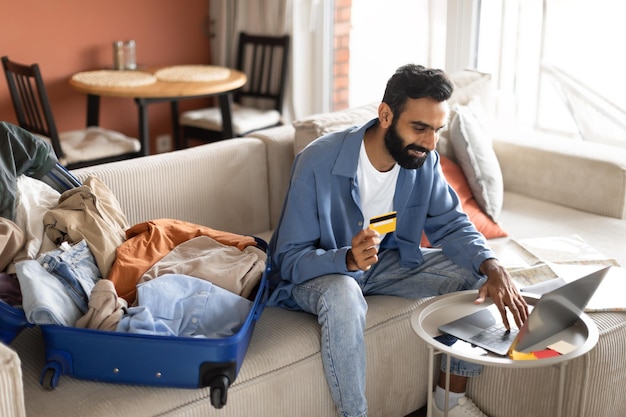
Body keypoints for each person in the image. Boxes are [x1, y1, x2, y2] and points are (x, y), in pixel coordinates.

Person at [267, 63, 529, 417]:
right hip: (319, 277)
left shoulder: (425, 161)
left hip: (383, 266)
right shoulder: (316, 161)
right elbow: (289, 258)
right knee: (344, 293)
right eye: (420, 128)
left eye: (437, 130)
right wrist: (345, 260)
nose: (430, 143)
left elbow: (451, 224)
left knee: (480, 274)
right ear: (385, 115)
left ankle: (449, 401)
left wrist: (492, 263)